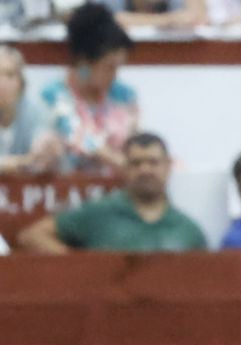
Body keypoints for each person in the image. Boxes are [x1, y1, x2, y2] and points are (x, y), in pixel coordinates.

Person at [16, 130, 206, 252]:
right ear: (125, 168)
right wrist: (79, 267)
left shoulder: (188, 230)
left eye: (153, 162)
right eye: (136, 163)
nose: (145, 170)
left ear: (168, 166)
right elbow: (32, 236)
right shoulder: (99, 212)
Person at [37, 3, 137, 176]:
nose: (114, 75)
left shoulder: (124, 94)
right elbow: (77, 136)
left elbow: (134, 141)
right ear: (84, 62)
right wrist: (124, 164)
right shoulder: (53, 95)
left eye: (118, 68)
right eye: (109, 67)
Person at [0, 43, 52, 173]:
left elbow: (41, 155)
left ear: (21, 83)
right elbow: (29, 162)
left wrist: (45, 149)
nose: (2, 83)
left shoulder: (35, 111)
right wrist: (23, 162)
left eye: (10, 75)